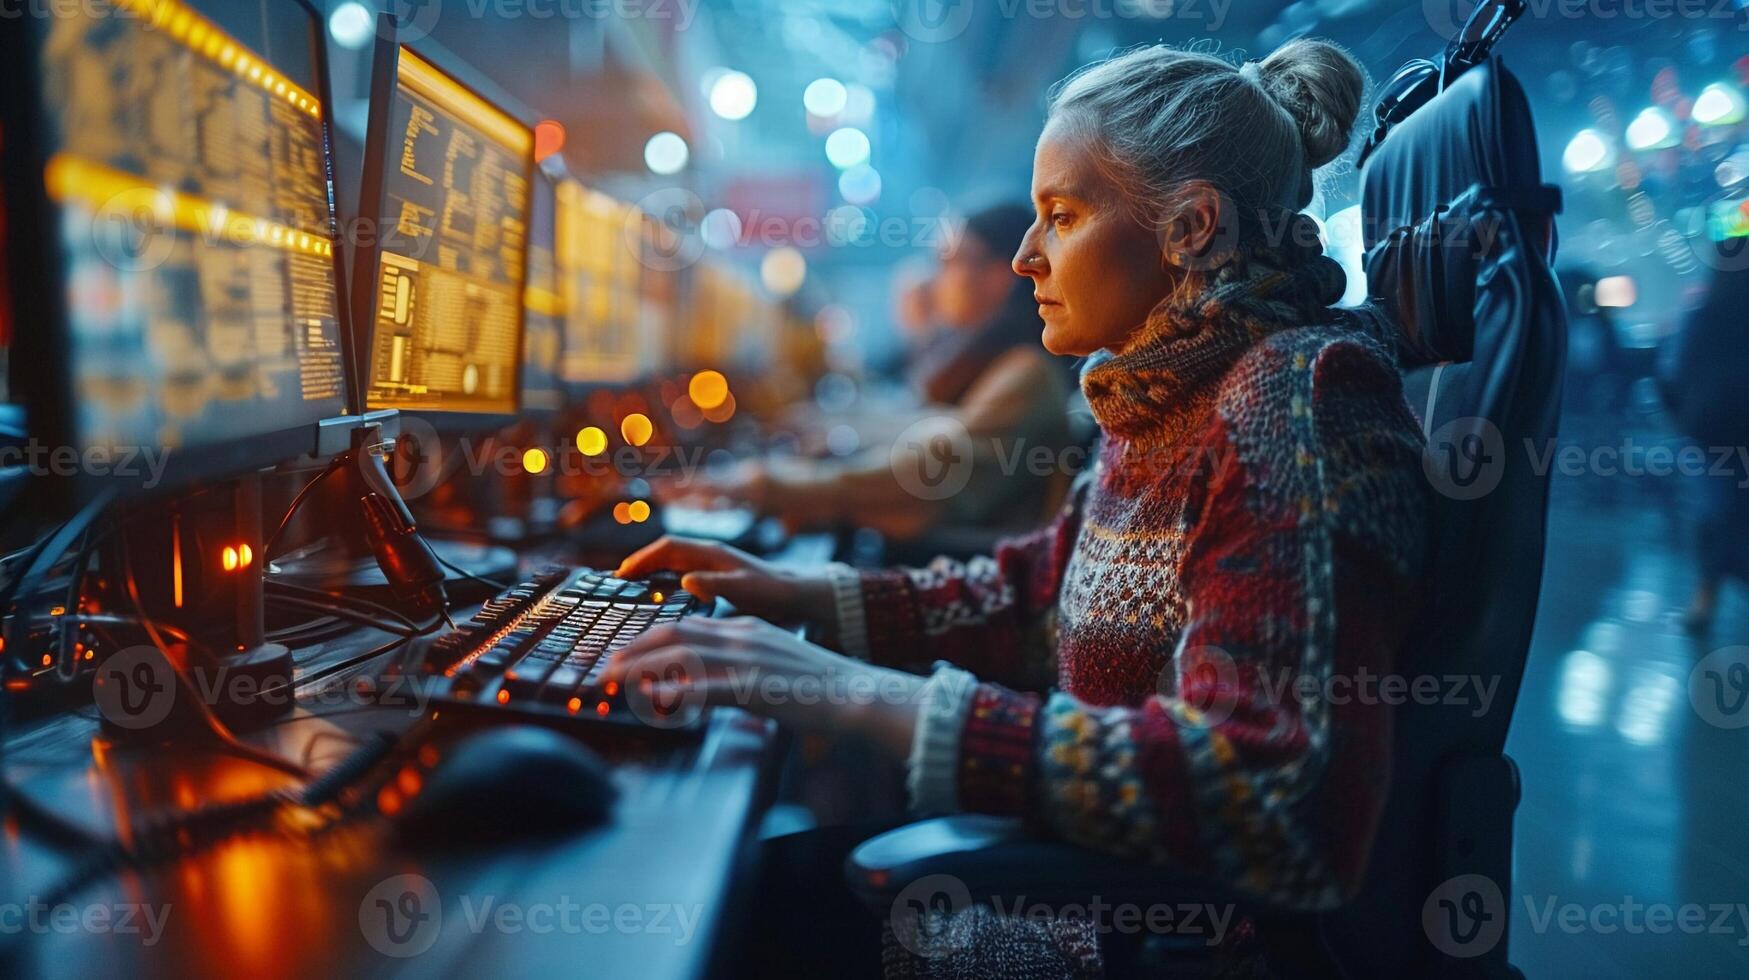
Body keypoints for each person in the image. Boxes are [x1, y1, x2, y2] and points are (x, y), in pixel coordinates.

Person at [612, 38, 1430, 974]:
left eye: (1061, 215)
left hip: (1153, 948)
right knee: (749, 882)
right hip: (1105, 907)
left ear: (1191, 226)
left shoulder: (1294, 406)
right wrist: (798, 602)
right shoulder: (1168, 399)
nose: (1023, 256)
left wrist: (854, 692)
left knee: (719, 915)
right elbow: (1038, 592)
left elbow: (1278, 794)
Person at [671, 203, 1076, 542]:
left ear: (998, 277)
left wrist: (768, 485)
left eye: (950, 262)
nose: (935, 280)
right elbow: (919, 424)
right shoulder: (992, 366)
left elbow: (925, 475)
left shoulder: (1026, 374)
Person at [1665, 240, 1749, 632]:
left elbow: (1673, 371)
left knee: (1712, 516)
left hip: (1708, 433)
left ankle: (1705, 599)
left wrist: (1683, 417)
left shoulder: (1701, 315)